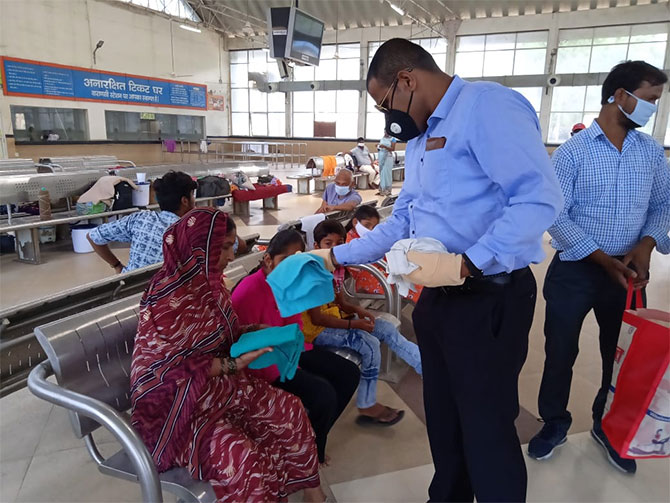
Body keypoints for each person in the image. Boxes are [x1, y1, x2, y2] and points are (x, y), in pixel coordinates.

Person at [312, 38, 563, 502]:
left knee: (486, 426)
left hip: (490, 296)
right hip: (439, 299)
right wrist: (333, 257)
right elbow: (405, 217)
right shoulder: (424, 136)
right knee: (444, 419)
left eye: (384, 102)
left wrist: (467, 263)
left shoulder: (488, 108)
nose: (388, 115)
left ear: (407, 80)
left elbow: (538, 198)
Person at [528, 61, 670, 474]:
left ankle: (607, 425)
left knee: (620, 353)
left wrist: (644, 247)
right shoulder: (574, 152)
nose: (652, 111)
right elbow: (555, 214)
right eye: (649, 100)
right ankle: (554, 421)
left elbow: (663, 206)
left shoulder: (650, 153)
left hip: (628, 274)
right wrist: (600, 258)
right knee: (560, 351)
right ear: (620, 96)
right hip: (577, 269)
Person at [130, 208, 325, 503]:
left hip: (221, 388)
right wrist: (232, 364)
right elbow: (166, 370)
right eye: (223, 247)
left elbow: (222, 335)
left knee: (290, 410)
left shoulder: (211, 286)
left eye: (231, 247)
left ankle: (313, 494)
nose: (231, 257)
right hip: (179, 406)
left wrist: (250, 331)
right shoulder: (166, 299)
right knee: (242, 456)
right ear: (198, 246)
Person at [231, 229, 360, 465]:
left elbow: (295, 326)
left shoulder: (289, 281)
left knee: (349, 373)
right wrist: (294, 369)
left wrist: (296, 358)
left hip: (291, 349)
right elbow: (246, 347)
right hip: (263, 363)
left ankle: (311, 438)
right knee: (324, 394)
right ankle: (311, 453)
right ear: (268, 260)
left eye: (295, 262)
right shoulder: (249, 291)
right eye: (285, 261)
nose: (291, 268)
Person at [305, 219, 422, 425]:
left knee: (385, 328)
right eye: (328, 244)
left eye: (339, 243)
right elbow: (317, 318)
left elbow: (340, 302)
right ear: (316, 246)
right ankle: (367, 403)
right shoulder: (312, 272)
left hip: (335, 318)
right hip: (316, 331)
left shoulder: (336, 269)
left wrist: (359, 311)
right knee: (369, 343)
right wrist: (355, 325)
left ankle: (425, 367)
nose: (335, 248)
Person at [88, 171, 196, 273]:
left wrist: (117, 265)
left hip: (130, 285)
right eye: (192, 195)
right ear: (185, 201)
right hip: (170, 290)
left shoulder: (140, 219)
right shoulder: (193, 230)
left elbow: (92, 236)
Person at [345, 205, 422, 303]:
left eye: (374, 227)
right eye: (367, 225)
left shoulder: (368, 238)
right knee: (408, 287)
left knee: (416, 281)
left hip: (380, 273)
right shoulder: (349, 241)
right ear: (355, 222)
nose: (371, 230)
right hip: (369, 277)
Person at [377, 130, 397, 196]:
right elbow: (380, 147)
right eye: (385, 132)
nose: (386, 133)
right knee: (382, 173)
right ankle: (381, 189)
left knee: (387, 173)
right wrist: (378, 146)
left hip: (388, 157)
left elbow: (393, 149)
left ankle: (387, 190)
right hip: (381, 156)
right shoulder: (382, 138)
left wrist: (385, 147)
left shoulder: (393, 139)